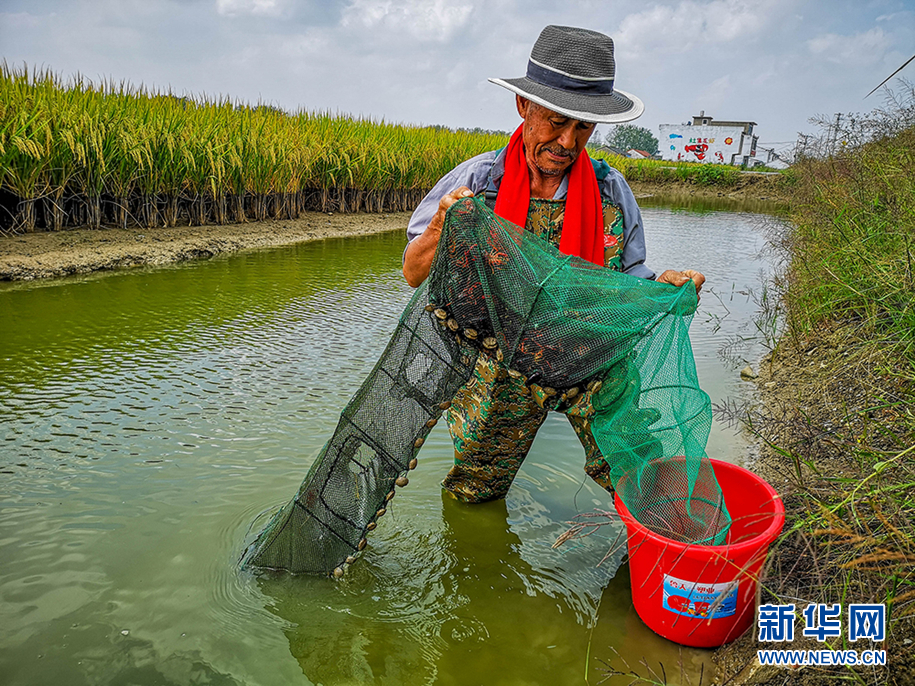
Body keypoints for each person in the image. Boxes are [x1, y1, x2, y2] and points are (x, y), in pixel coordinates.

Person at [402, 25, 705, 504]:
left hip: (592, 355)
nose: (567, 141)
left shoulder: (610, 191)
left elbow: (630, 281)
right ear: (523, 106)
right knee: (476, 491)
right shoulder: (479, 183)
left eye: (583, 127)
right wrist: (442, 224)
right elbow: (414, 273)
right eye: (556, 121)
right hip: (500, 367)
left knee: (639, 473)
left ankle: (659, 538)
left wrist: (661, 287)